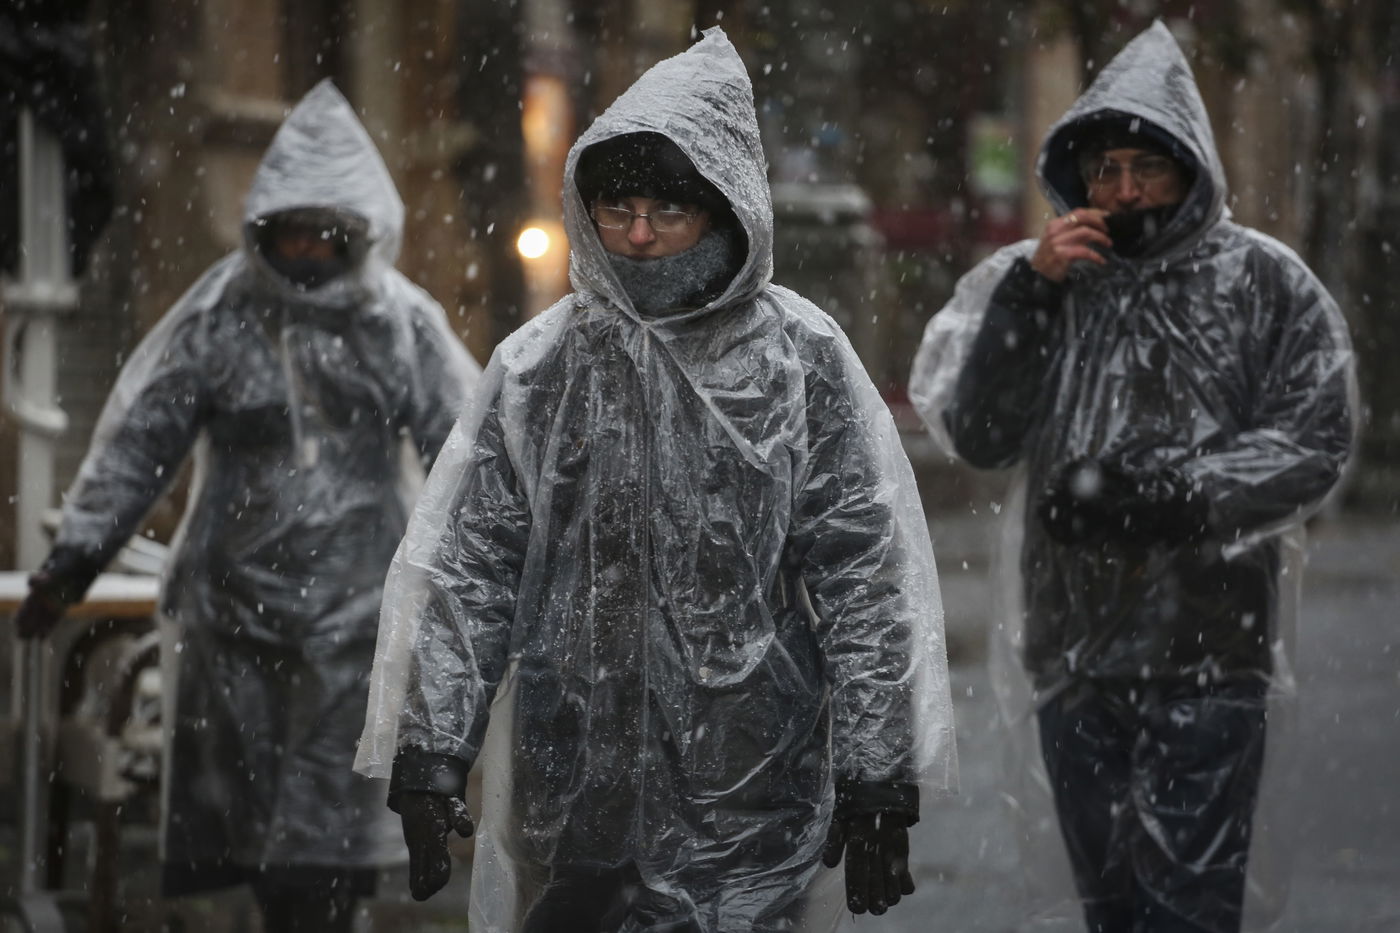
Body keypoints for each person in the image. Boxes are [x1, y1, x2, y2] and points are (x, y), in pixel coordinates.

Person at [355, 28, 956, 933]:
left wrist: (879, 771)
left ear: (724, 210)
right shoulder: (542, 365)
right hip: (574, 787)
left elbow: (865, 574)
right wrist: (433, 749)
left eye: (666, 212)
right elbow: (469, 565)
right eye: (616, 206)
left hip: (751, 781)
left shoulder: (801, 360)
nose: (637, 234)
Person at [910, 21, 1355, 933]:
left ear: (1190, 169)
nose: (1122, 190)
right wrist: (1032, 294)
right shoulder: (1048, 278)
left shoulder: (1265, 284)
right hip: (1072, 652)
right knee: (1112, 907)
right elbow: (980, 429)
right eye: (1104, 169)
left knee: (1188, 907)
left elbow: (1316, 434)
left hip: (1209, 646)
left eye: (1144, 168)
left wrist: (1177, 501)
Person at [13, 79, 479, 931]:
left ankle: (330, 914)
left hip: (355, 611)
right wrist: (73, 557)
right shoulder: (222, 315)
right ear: (261, 230)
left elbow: (469, 450)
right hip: (234, 614)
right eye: (287, 231)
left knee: (336, 819)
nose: (302, 249)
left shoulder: (396, 323)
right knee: (255, 815)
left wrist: (494, 577)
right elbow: (137, 444)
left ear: (356, 234)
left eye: (321, 232)